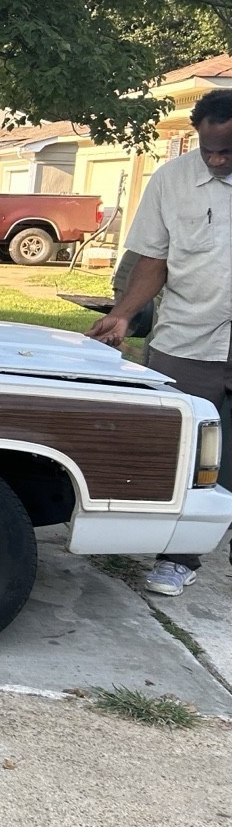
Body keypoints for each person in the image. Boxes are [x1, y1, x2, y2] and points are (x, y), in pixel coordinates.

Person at [87, 88, 232, 595]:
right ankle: (177, 558)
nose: (217, 160)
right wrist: (122, 315)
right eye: (209, 150)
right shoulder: (172, 180)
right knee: (186, 453)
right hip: (188, 340)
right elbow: (153, 261)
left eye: (228, 152)